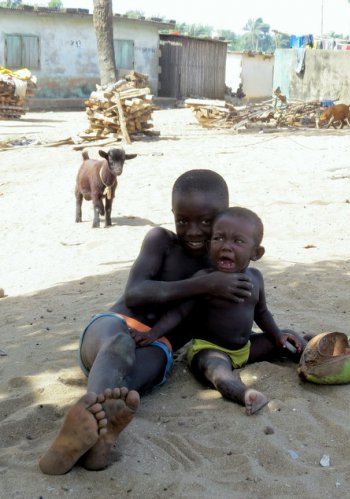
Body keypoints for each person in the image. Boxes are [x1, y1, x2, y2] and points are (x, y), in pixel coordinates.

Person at [39, 169, 254, 474]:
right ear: (172, 215)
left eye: (206, 222)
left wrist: (281, 337)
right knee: (120, 343)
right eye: (183, 220)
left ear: (224, 214)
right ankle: (91, 420)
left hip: (159, 346)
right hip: (112, 327)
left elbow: (234, 327)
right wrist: (204, 285)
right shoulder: (161, 242)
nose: (193, 231)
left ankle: (97, 443)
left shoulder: (226, 269)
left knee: (128, 392)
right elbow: (137, 293)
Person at [133, 207, 306, 415]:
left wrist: (277, 335)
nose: (226, 247)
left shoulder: (256, 278)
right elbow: (179, 313)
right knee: (218, 372)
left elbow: (262, 312)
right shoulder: (205, 280)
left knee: (289, 338)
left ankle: (313, 359)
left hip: (246, 347)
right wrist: (153, 333)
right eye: (219, 238)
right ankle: (245, 394)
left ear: (256, 253)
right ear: (208, 245)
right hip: (209, 349)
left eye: (238, 241)